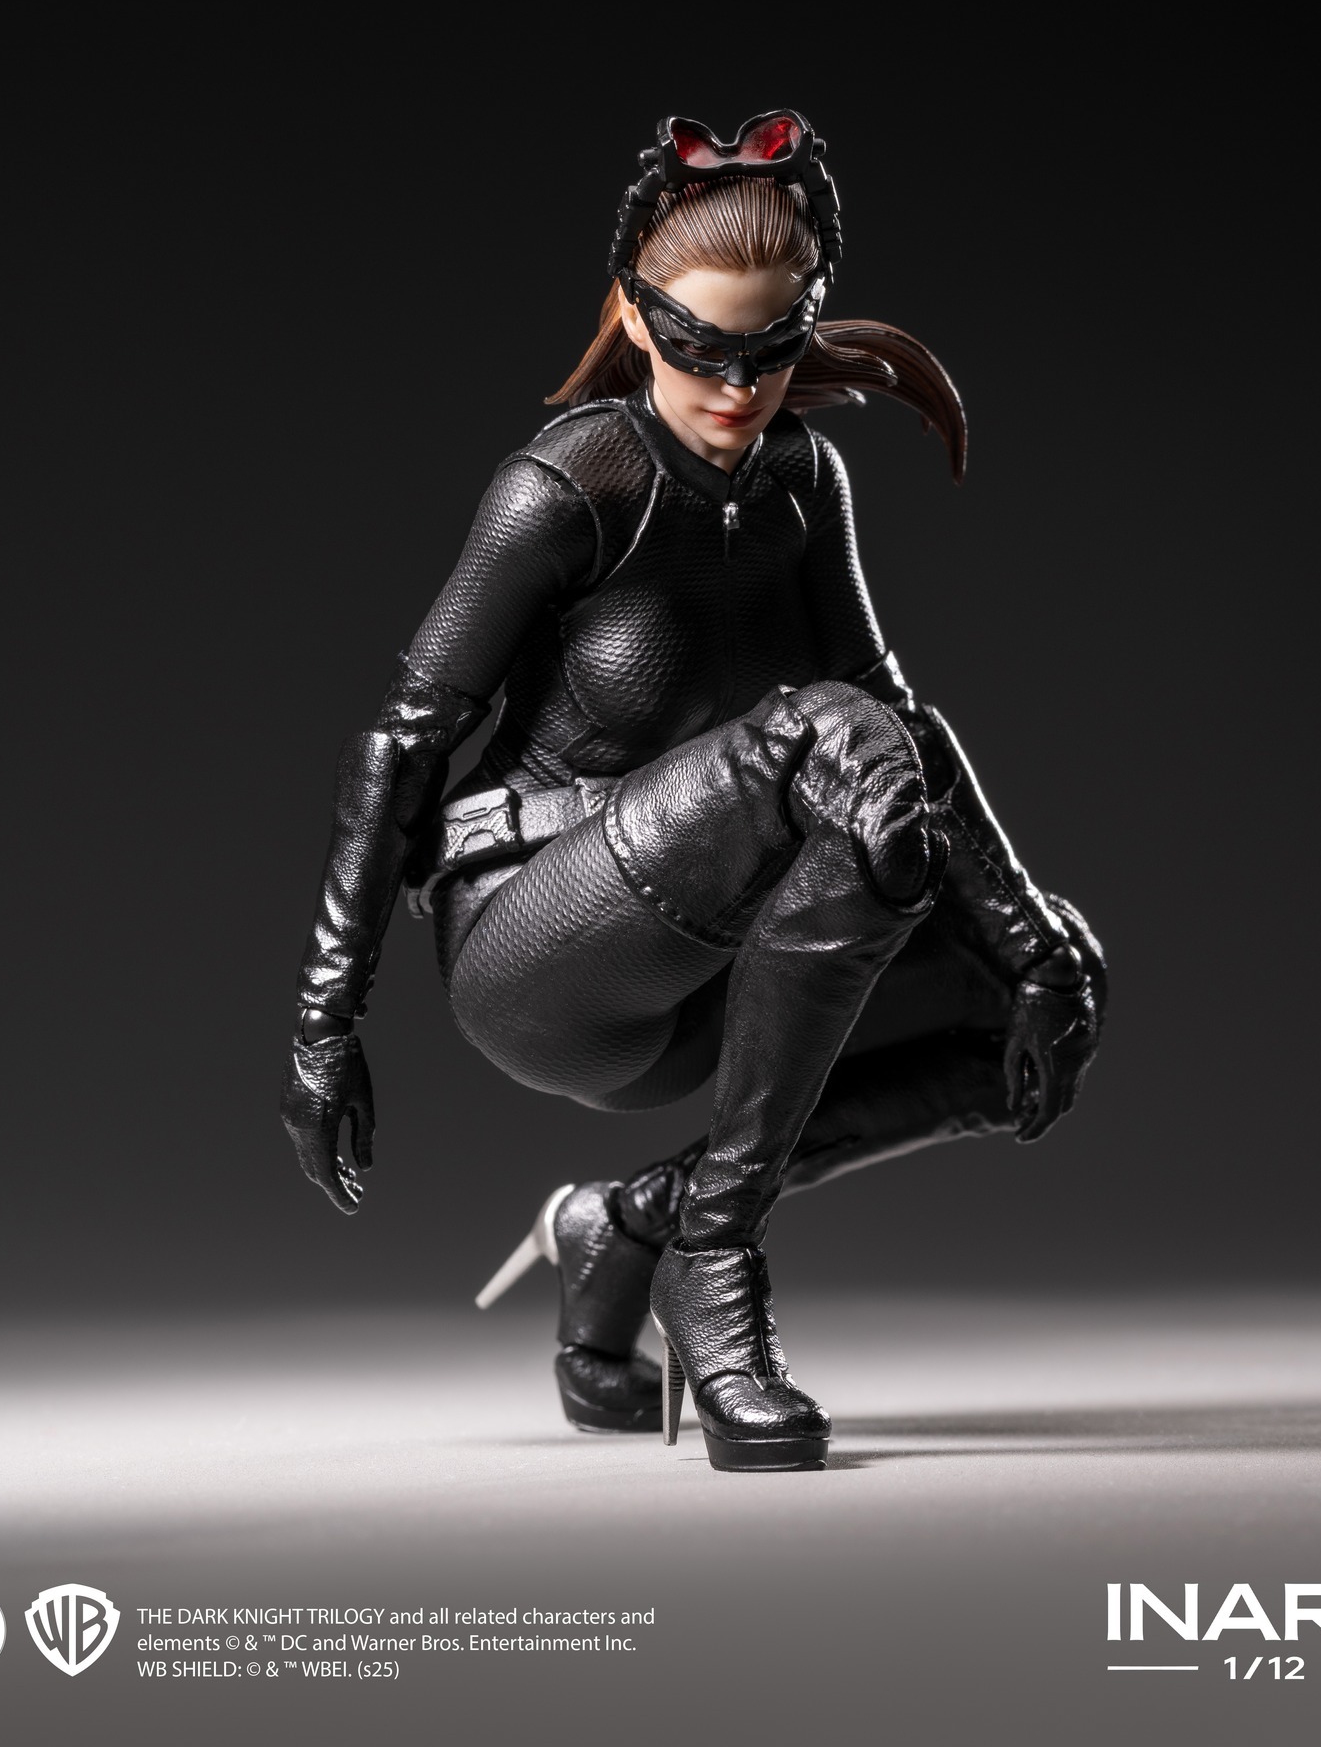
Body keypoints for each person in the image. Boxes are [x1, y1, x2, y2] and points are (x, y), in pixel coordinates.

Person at [282, 112, 1105, 1473]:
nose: (735, 387)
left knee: (1030, 993)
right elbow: (400, 748)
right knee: (824, 738)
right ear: (632, 314)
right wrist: (325, 1027)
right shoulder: (565, 488)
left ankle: (638, 1226)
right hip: (542, 951)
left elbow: (897, 721)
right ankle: (716, 1275)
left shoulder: (804, 480)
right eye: (697, 346)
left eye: (770, 350)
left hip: (711, 972)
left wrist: (1027, 944)